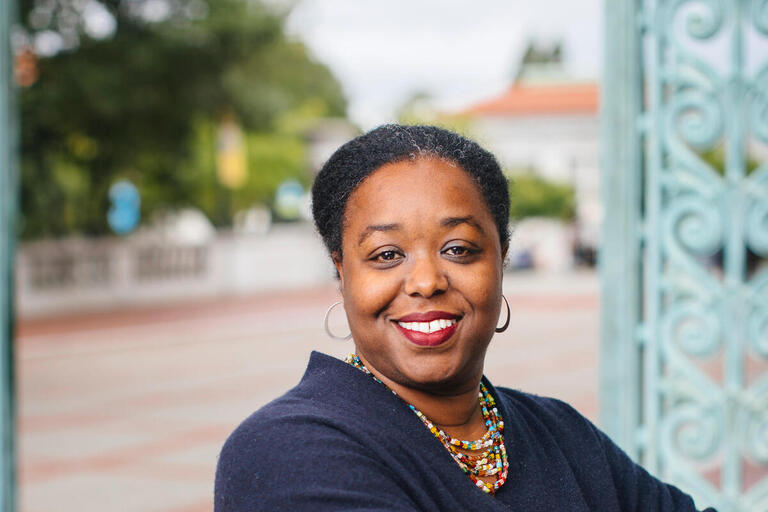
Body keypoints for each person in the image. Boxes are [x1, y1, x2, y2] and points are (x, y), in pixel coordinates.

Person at [214, 125, 716, 511]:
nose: (426, 281)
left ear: (501, 260)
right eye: (387, 255)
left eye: (459, 248)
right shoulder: (286, 450)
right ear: (341, 271)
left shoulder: (561, 433)